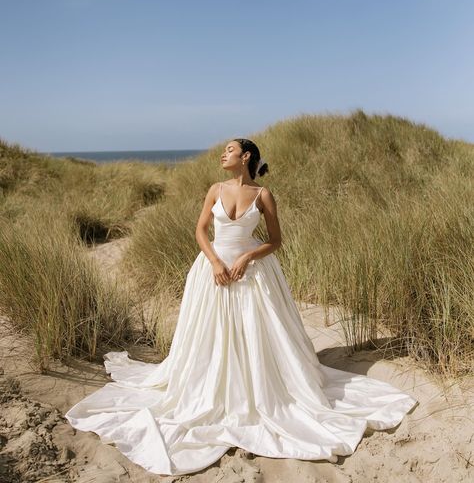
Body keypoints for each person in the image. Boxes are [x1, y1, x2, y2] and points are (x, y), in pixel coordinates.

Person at [65, 138, 418, 476]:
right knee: (210, 333)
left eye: (229, 150)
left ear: (246, 156)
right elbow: (201, 231)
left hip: (254, 274)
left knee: (256, 331)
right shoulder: (215, 190)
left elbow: (276, 241)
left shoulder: (263, 194)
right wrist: (216, 262)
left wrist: (249, 255)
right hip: (212, 271)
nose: (223, 154)